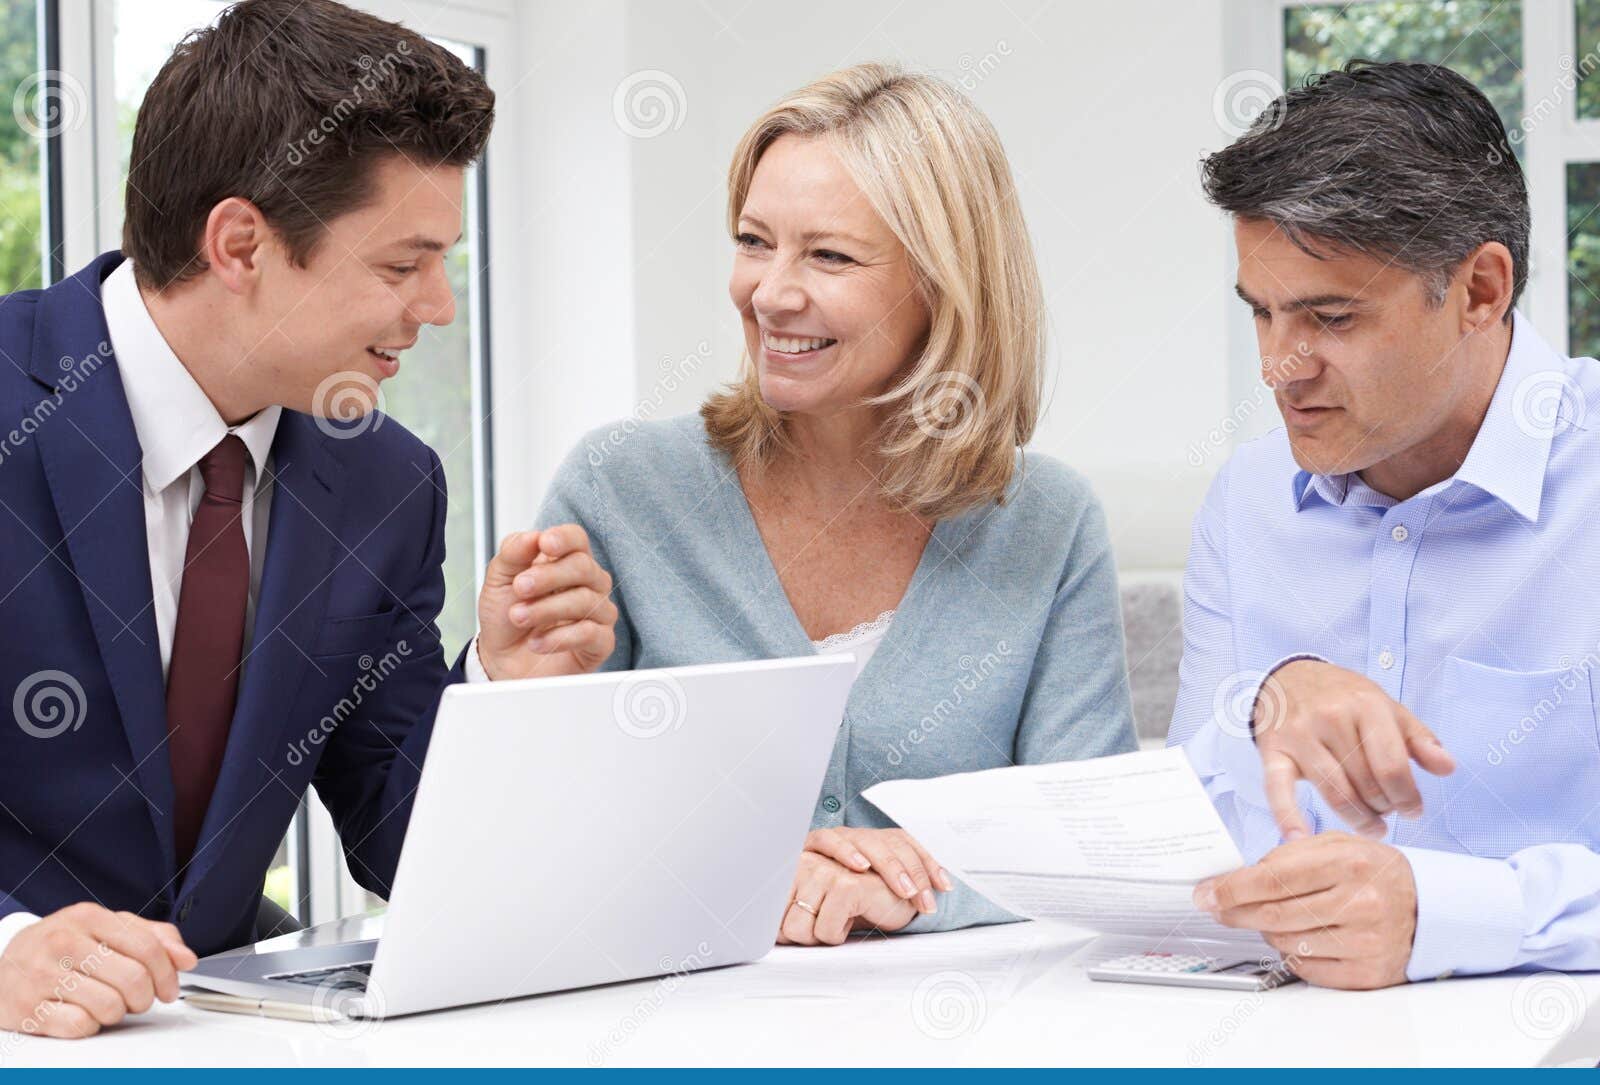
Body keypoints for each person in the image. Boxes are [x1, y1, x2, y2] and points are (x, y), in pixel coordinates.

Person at [0, 0, 615, 1039]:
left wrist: (501, 693)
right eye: (401, 264)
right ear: (241, 243)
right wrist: (7, 948)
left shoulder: (386, 484)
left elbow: (398, 837)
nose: (438, 307)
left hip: (220, 1054)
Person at [537, 63, 1138, 947]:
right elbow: (553, 827)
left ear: (945, 283)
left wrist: (910, 890)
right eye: (753, 241)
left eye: (829, 255)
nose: (770, 292)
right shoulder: (621, 488)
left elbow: (1089, 846)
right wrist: (751, 870)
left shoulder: (1046, 522)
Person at [1173, 60, 1600, 989]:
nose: (1280, 369)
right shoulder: (1247, 502)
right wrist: (1265, 701)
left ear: (1482, 290)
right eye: (1263, 315)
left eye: (1330, 318)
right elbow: (1188, 836)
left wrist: (1445, 914)